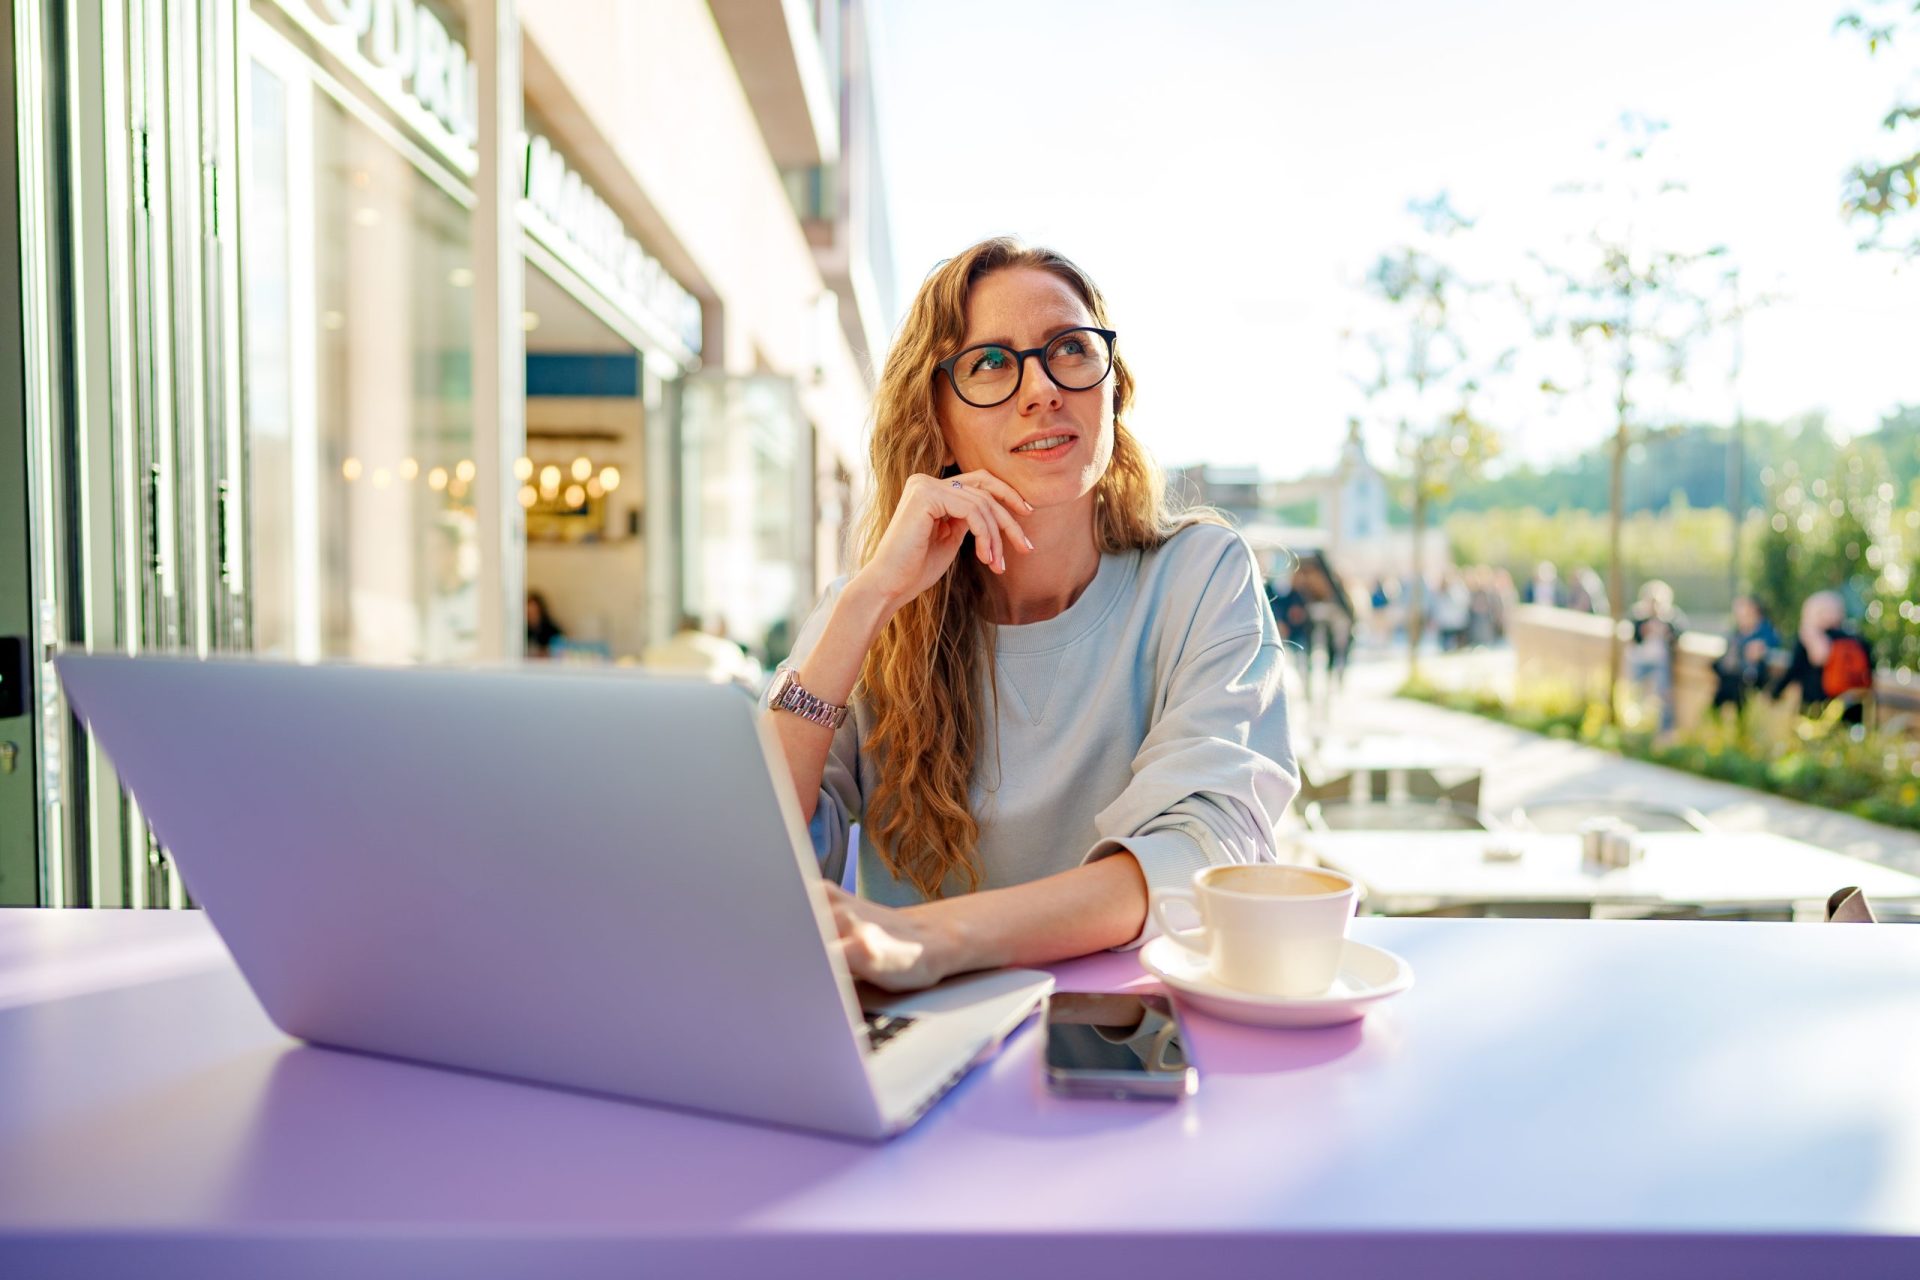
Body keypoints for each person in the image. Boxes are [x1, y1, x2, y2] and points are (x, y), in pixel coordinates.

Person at [767, 238, 1297, 993]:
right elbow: (756, 860)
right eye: (989, 363)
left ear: (1111, 388)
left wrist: (931, 936)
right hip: (926, 1039)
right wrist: (866, 601)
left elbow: (1206, 846)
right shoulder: (866, 611)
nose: (1042, 388)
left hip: (1131, 1032)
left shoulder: (1198, 576)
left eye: (1070, 350)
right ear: (936, 420)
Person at [1769, 591, 1874, 726]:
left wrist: (1774, 693)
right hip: (1853, 710)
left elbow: (1794, 670)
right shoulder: (1858, 641)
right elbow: (1869, 675)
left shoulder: (1807, 639)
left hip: (1816, 710)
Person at [1625, 579, 1689, 733]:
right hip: (1641, 661)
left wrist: (1665, 631)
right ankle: (1634, 728)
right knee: (1635, 694)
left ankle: (1665, 731)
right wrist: (1644, 631)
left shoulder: (1671, 617)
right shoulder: (1639, 617)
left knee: (1664, 695)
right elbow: (1633, 639)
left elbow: (1680, 632)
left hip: (1661, 662)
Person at [1711, 595, 1780, 711]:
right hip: (1731, 679)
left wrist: (1762, 649)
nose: (1741, 619)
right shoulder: (1737, 633)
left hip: (1748, 682)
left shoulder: (1765, 632)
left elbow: (1774, 644)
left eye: (1745, 615)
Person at [525, 591, 565, 658]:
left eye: (534, 612)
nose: (532, 616)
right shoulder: (523, 631)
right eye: (529, 613)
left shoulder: (552, 630)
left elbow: (559, 650)